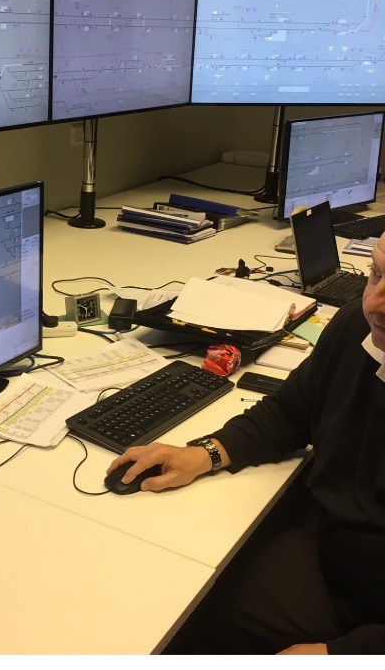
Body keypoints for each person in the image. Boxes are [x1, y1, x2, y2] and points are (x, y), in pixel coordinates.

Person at [108, 236, 385, 655]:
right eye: (376, 275)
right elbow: (292, 412)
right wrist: (204, 454)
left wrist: (344, 655)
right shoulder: (358, 327)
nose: (374, 305)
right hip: (337, 560)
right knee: (179, 612)